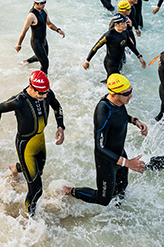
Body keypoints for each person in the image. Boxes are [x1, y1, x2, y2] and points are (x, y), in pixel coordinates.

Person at [0, 71, 65, 217]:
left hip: (40, 140)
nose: (45, 96)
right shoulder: (19, 101)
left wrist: (60, 126)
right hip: (26, 145)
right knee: (36, 189)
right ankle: (29, 218)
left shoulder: (46, 92)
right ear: (32, 88)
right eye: (41, 94)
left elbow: (57, 107)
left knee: (38, 172)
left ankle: (15, 168)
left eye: (47, 92)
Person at [63, 73, 147, 206]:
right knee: (103, 200)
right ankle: (71, 191)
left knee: (122, 189)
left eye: (131, 91)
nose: (130, 95)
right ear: (114, 94)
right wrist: (127, 163)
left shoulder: (119, 102)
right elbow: (99, 147)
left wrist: (134, 121)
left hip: (120, 153)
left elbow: (119, 115)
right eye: (126, 93)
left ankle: (118, 218)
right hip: (107, 160)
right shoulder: (103, 111)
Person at [15, 0, 65, 74]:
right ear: (35, 3)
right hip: (36, 42)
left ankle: (27, 61)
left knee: (42, 57)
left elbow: (49, 23)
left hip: (43, 40)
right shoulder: (31, 16)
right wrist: (19, 45)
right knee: (45, 64)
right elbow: (24, 31)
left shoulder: (44, 11)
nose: (43, 4)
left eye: (44, 2)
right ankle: (43, 82)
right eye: (41, 3)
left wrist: (58, 30)